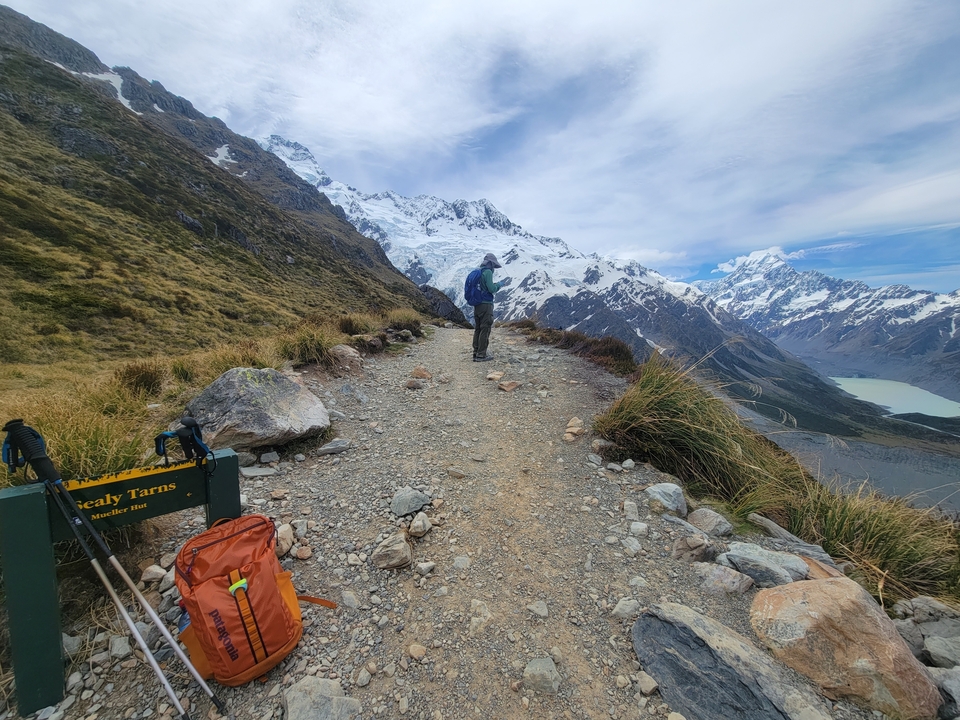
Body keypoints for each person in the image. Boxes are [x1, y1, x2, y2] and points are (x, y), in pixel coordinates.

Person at [472, 253, 502, 362]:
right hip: (486, 304)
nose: (494, 267)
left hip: (477, 304)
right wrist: (499, 285)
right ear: (490, 263)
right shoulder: (488, 272)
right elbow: (491, 288)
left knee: (478, 328)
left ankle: (475, 352)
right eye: (493, 265)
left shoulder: (479, 272)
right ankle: (481, 354)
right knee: (485, 328)